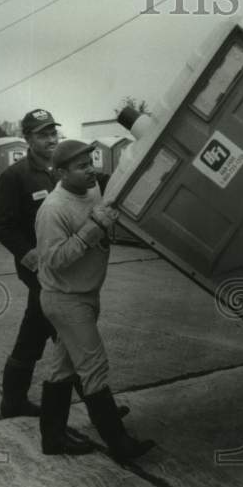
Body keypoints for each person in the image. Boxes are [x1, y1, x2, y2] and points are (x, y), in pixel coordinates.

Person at [34, 139, 155, 461]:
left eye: (91, 162)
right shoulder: (53, 209)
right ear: (61, 172)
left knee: (63, 369)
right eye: (82, 166)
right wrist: (94, 228)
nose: (91, 170)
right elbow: (53, 259)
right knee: (94, 367)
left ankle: (53, 438)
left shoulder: (92, 192)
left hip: (85, 293)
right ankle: (120, 444)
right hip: (66, 299)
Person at [0, 109, 63, 417]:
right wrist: (27, 254)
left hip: (63, 265)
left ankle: (13, 402)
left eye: (53, 133)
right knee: (68, 332)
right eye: (43, 134)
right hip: (38, 271)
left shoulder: (62, 169)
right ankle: (100, 407)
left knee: (39, 332)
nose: (50, 139)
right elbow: (2, 224)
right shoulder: (15, 176)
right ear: (28, 139)